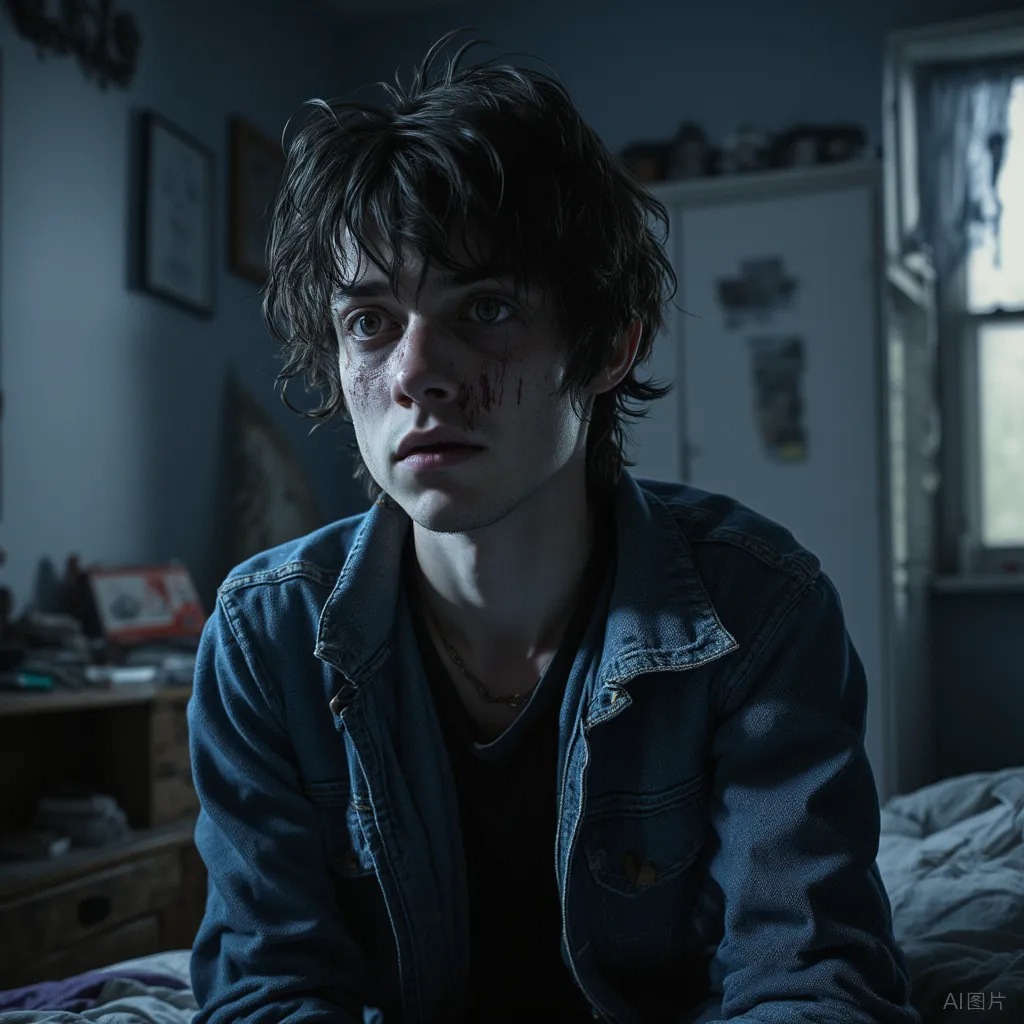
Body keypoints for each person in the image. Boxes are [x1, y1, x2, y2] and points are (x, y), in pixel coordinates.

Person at [187, 30, 921, 1024]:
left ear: (609, 345)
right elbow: (268, 992)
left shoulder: (759, 610)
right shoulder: (264, 638)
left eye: (485, 308)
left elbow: (811, 980)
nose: (415, 372)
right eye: (369, 321)